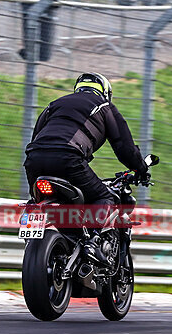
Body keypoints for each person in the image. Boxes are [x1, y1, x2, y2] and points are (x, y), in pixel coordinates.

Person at [24, 72, 149, 261]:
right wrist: (140, 168)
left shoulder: (54, 104)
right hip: (68, 159)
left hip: (34, 160)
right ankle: (91, 242)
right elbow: (124, 147)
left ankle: (42, 241)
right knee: (104, 196)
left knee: (36, 202)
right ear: (105, 92)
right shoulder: (104, 107)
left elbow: (37, 136)